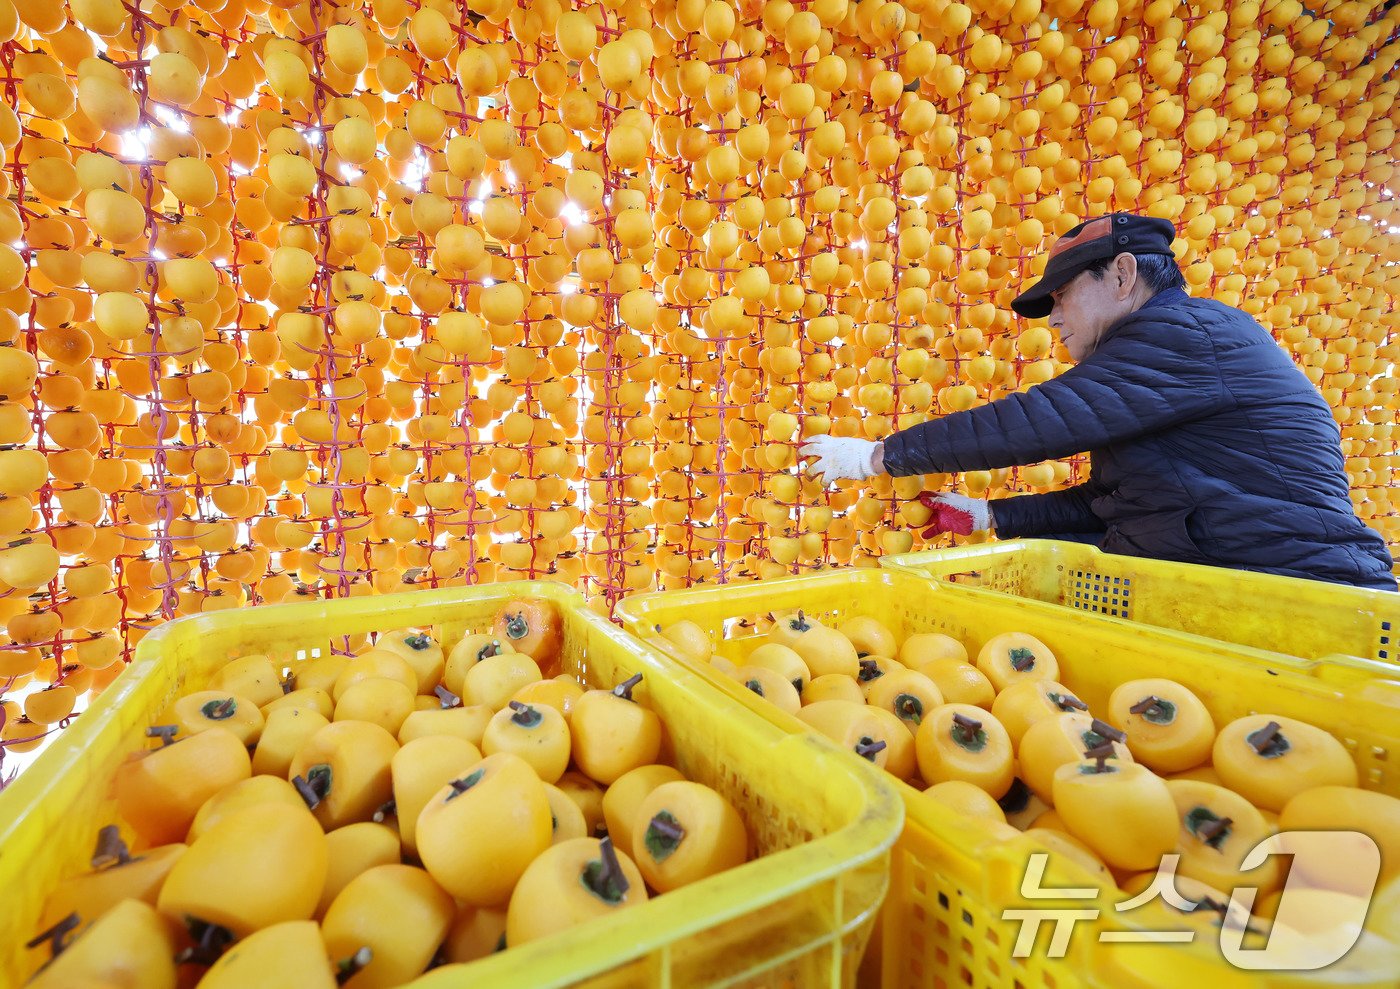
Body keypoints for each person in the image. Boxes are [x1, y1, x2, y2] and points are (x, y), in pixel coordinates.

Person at [799, 212, 1397, 591]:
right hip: (1239, 584)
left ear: (1121, 274)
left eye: (1061, 297)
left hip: (1303, 590)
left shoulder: (1186, 335)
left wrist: (878, 458)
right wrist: (993, 517)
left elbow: (1044, 419)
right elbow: (1123, 504)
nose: (1054, 318)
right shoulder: (1152, 366)